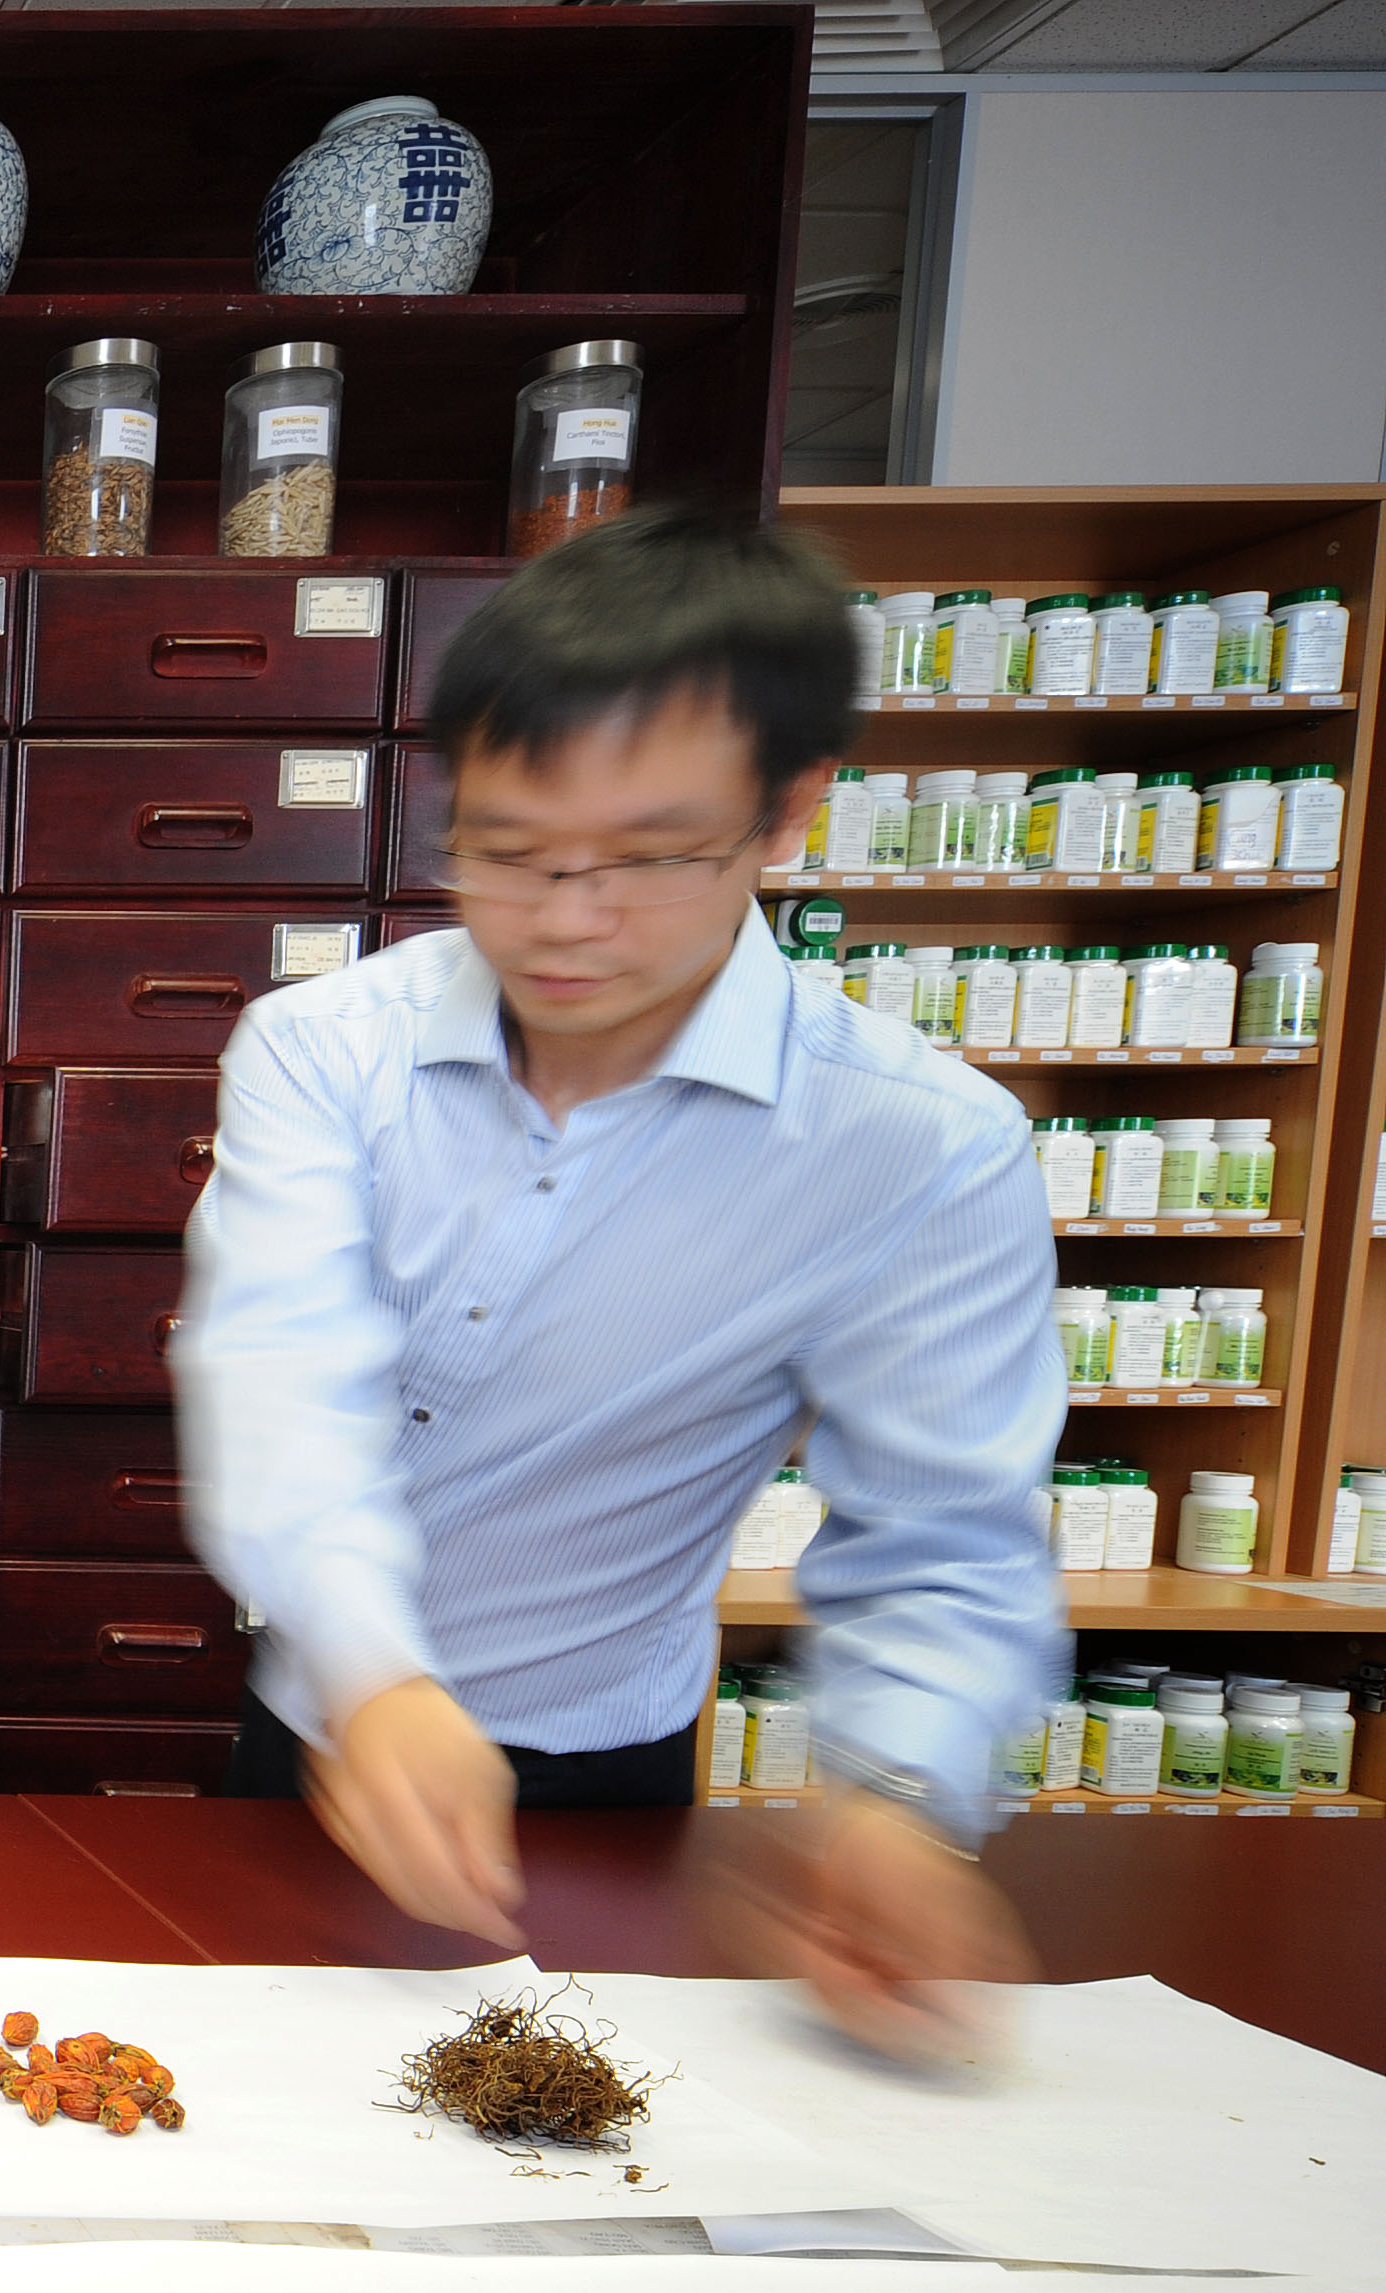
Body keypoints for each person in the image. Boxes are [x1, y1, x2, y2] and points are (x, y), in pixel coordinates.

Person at [171, 506, 1062, 2049]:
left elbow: (944, 1535)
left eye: (651, 859)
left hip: (609, 1776)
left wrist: (901, 1804)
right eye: (509, 855)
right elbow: (282, 1378)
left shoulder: (922, 1146)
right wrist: (376, 1680)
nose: (568, 923)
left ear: (790, 810)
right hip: (328, 1730)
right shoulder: (327, 1051)